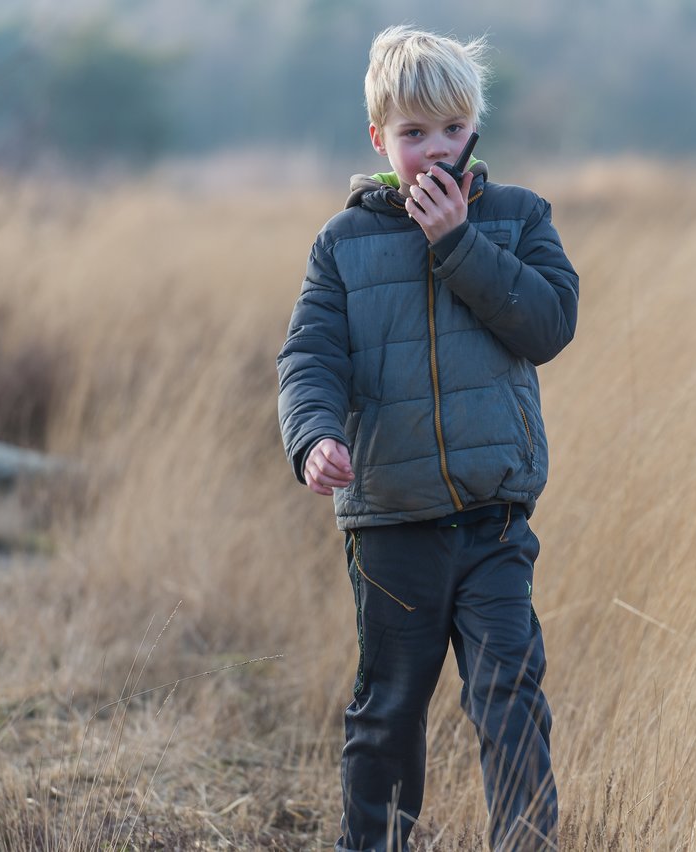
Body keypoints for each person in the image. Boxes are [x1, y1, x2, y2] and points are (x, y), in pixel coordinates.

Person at [276, 24, 578, 852]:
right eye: (414, 134)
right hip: (391, 524)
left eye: (451, 129)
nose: (436, 151)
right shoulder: (344, 245)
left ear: (474, 126)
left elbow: (549, 324)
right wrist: (312, 438)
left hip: (494, 520)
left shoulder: (517, 219)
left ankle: (525, 843)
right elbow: (309, 357)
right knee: (389, 711)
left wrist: (458, 243)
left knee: (509, 693)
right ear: (380, 139)